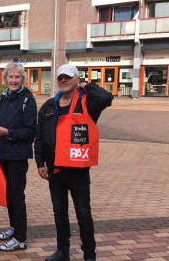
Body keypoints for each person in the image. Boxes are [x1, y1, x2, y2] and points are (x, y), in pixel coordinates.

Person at [35, 64, 113, 261]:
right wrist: (40, 163)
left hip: (78, 170)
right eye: (60, 77)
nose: (63, 80)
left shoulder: (87, 103)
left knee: (83, 213)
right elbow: (39, 137)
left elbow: (106, 97)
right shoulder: (48, 106)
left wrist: (85, 85)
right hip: (55, 169)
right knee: (59, 212)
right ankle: (63, 251)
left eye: (68, 77)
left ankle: (89, 255)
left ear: (76, 79)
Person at [0, 62, 37, 252]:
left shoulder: (27, 99)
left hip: (17, 155)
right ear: (5, 78)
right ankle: (14, 228)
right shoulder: (3, 98)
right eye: (10, 77)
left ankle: (21, 239)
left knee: (17, 195)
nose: (14, 80)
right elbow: (1, 123)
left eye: (17, 77)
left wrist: (8, 132)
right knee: (8, 194)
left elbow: (31, 130)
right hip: (2, 152)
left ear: (22, 79)